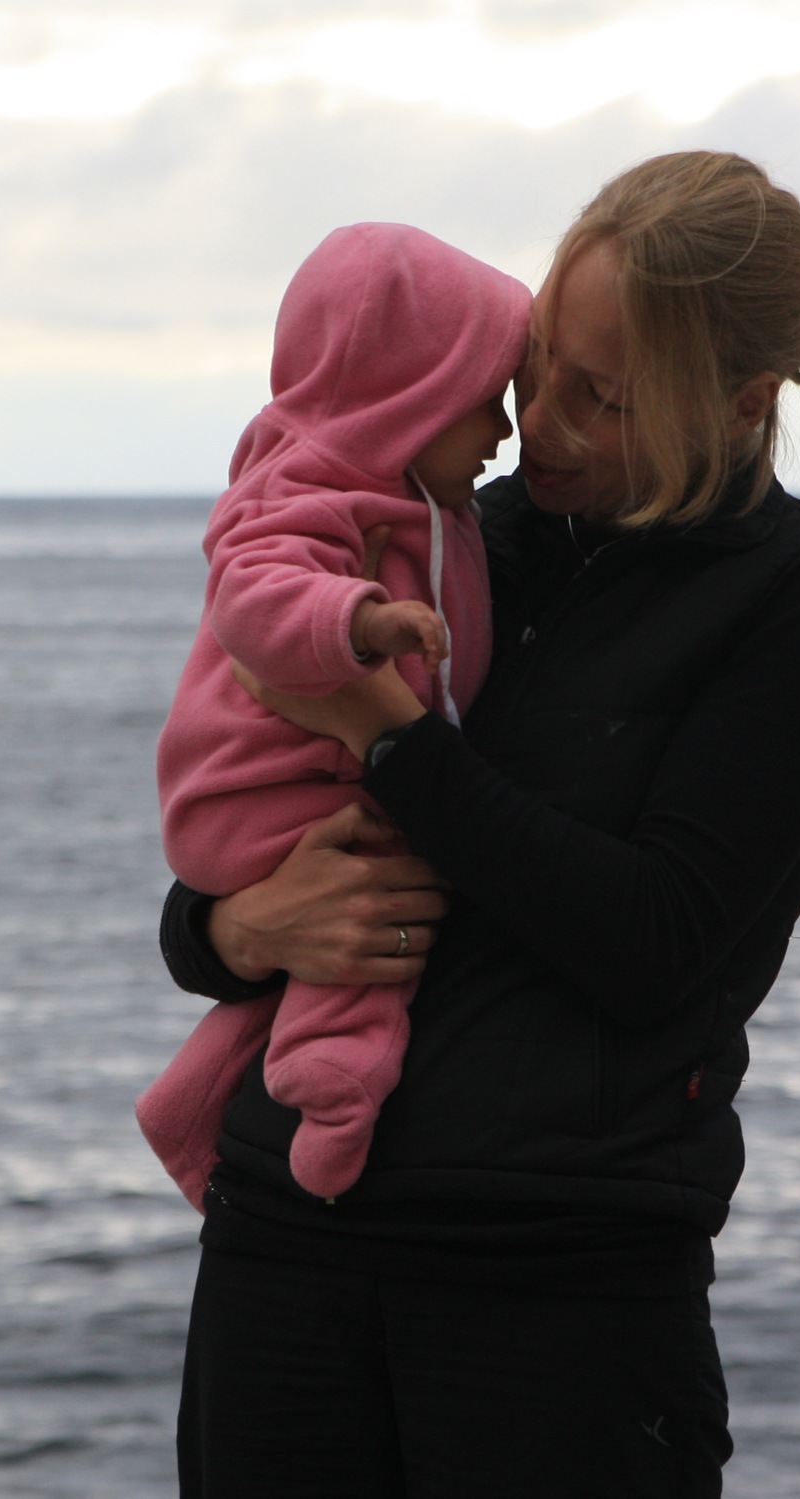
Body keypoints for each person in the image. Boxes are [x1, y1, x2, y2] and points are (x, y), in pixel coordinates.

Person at [155, 151, 800, 1497]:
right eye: (540, 366)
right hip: (283, 1242)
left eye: (604, 398)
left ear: (743, 403)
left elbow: (653, 939)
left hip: (557, 1287)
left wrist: (390, 737)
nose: (539, 424)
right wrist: (226, 931)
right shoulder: (446, 533)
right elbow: (261, 807)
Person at [139, 222, 531, 1208]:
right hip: (260, 785)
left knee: (349, 913)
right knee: (385, 896)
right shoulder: (305, 481)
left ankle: (191, 1104)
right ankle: (334, 1082)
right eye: (484, 400)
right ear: (407, 393)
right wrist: (356, 621)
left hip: (314, 777)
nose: (505, 432)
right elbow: (252, 591)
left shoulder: (428, 504)